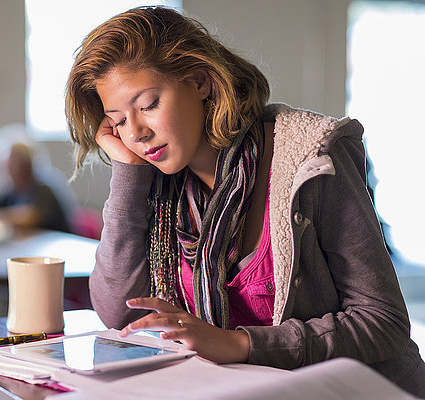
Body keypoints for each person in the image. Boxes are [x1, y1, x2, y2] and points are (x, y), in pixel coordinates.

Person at [64, 6, 425, 396]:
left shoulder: (312, 158)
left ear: (201, 81)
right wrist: (128, 174)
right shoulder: (157, 183)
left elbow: (383, 322)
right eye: (117, 120)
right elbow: (119, 314)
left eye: (148, 105)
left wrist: (241, 344)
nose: (135, 132)